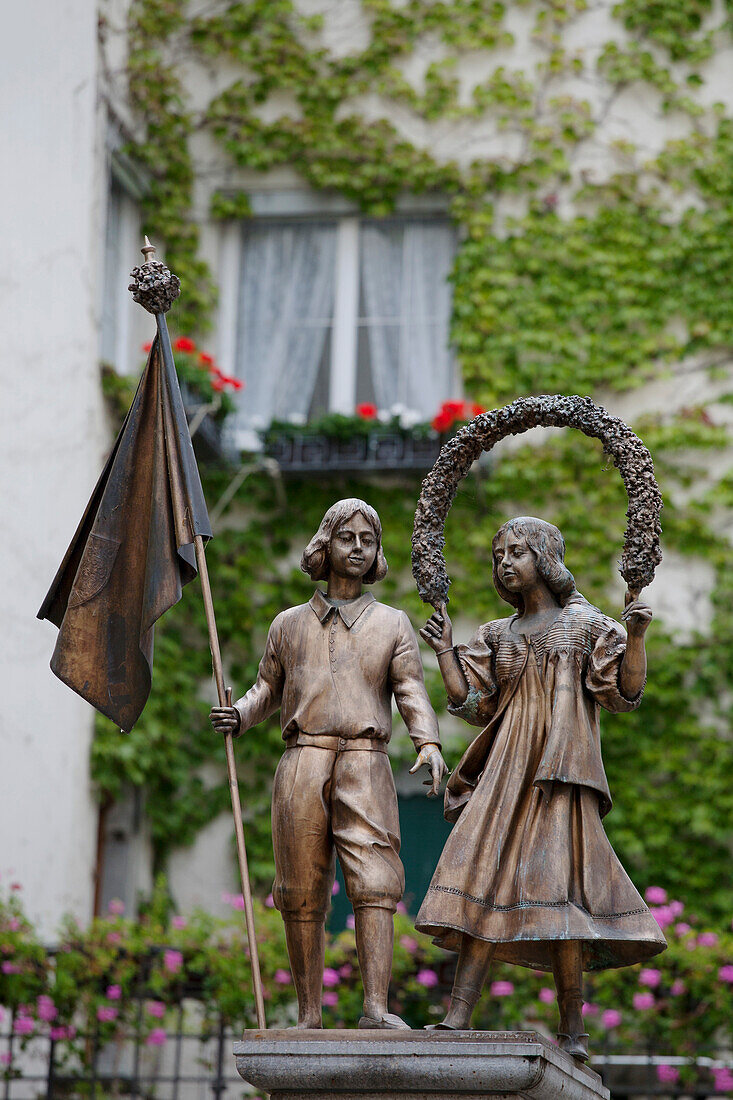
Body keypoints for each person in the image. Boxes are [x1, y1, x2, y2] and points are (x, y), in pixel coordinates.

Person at [416, 516, 666, 1061]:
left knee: (561, 892)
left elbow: (623, 692)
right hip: (506, 770)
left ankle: (573, 1029)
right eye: (498, 554)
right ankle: (458, 1014)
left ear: (547, 557)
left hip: (559, 771)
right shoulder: (495, 634)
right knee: (485, 879)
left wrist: (638, 637)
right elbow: (471, 704)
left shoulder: (586, 624)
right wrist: (443, 650)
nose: (505, 563)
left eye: (518, 552)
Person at [211, 498, 447, 1029]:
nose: (358, 548)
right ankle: (309, 1014)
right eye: (347, 537)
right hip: (303, 758)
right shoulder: (289, 625)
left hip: (366, 760)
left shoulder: (392, 623)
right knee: (298, 887)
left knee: (376, 880)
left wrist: (427, 743)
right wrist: (240, 715)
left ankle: (376, 1009)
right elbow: (267, 688)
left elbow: (411, 688)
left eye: (369, 539)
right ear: (326, 543)